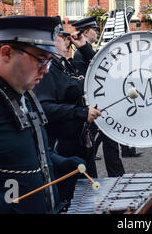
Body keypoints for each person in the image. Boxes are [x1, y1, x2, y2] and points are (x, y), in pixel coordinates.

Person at [0, 16, 97, 214]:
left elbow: (26, 149)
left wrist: (58, 163)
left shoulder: (23, 95)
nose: (46, 70)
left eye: (48, 62)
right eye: (40, 60)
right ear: (7, 53)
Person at [33, 26, 105, 203]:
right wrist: (80, 112)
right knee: (71, 200)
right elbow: (44, 108)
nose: (66, 40)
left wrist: (83, 47)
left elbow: (98, 68)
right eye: (61, 36)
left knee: (90, 196)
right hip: (63, 147)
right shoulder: (48, 70)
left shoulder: (66, 64)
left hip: (81, 142)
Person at [70, 16, 129, 172]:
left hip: (99, 104)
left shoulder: (86, 51)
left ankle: (116, 176)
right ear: (86, 32)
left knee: (108, 143)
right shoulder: (80, 54)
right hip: (92, 105)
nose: (97, 33)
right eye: (95, 30)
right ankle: (109, 176)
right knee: (95, 144)